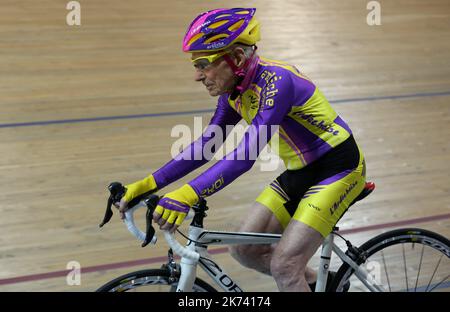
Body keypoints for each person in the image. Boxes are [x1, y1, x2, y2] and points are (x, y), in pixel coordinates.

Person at [115, 8, 366, 292]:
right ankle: (324, 285)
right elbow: (205, 148)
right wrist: (147, 184)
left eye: (203, 64)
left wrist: (187, 194)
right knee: (244, 249)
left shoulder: (276, 84)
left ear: (235, 58)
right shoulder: (234, 94)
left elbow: (244, 158)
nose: (197, 76)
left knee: (284, 267)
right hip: (301, 171)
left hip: (339, 168)